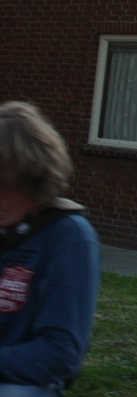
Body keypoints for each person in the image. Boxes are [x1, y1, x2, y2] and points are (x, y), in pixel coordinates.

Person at [0, 101, 101, 396]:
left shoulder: (68, 236)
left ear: (31, 177)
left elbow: (60, 354)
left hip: (21, 383)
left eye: (2, 184)